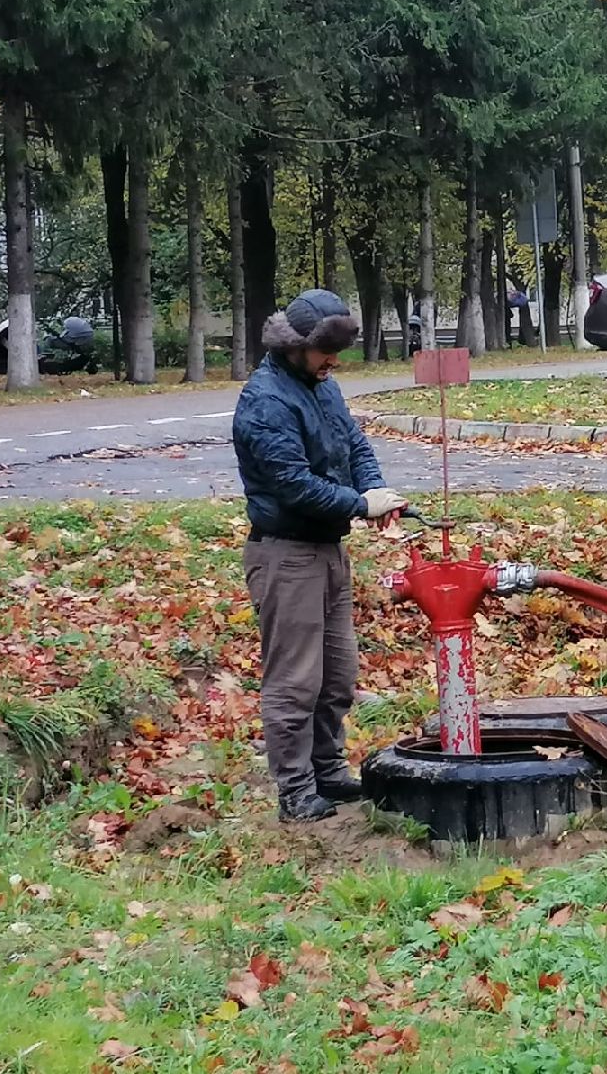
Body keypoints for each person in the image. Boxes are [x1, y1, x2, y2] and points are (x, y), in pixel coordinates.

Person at [232, 289, 407, 822]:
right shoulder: (266, 402)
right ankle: (296, 790)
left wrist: (378, 493)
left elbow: (354, 445)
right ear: (296, 346)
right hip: (286, 555)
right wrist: (360, 503)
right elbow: (293, 485)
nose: (335, 363)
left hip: (328, 551)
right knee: (295, 682)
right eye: (325, 352)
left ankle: (328, 772)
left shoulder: (322, 387)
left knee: (336, 676)